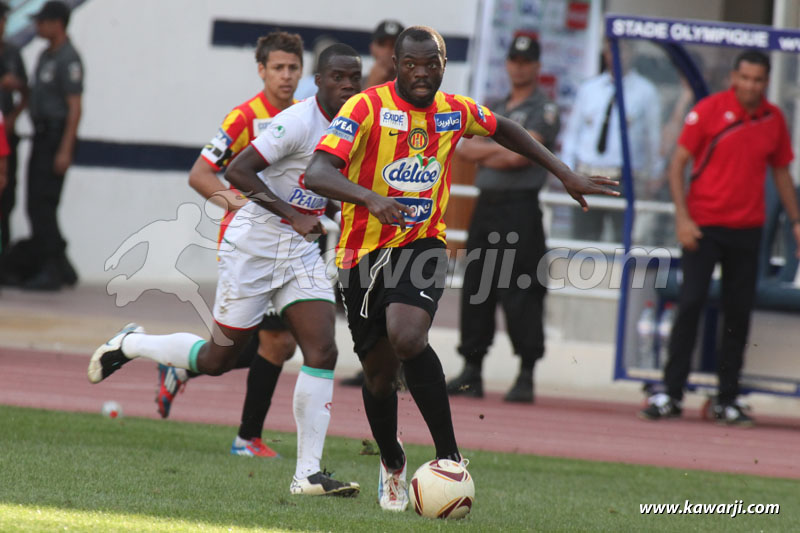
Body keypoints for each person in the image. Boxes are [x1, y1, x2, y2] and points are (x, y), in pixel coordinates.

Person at [304, 26, 617, 511]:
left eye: (431, 64)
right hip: (360, 254)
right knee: (379, 377)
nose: (422, 74)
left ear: (444, 63)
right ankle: (391, 460)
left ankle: (450, 455)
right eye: (411, 65)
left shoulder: (456, 110)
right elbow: (317, 173)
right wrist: (371, 198)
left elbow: (506, 128)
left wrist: (563, 171)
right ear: (396, 64)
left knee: (408, 337)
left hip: (423, 244)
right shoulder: (364, 107)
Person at [89, 43, 364, 496]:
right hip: (253, 248)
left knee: (322, 350)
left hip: (299, 253)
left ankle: (307, 474)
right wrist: (290, 214)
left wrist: (330, 210)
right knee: (220, 359)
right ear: (320, 81)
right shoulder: (296, 120)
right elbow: (237, 170)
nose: (349, 85)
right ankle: (132, 343)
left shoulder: (355, 124)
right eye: (338, 77)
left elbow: (319, 182)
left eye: (355, 77)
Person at [154, 32, 303, 462]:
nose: (286, 76)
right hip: (249, 247)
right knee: (275, 343)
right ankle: (246, 438)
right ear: (261, 70)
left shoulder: (304, 116)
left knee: (271, 344)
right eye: (278, 68)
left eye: (293, 68)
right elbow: (200, 173)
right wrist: (240, 205)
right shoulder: (244, 117)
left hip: (288, 247)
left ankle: (184, 365)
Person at [639, 50, 800, 426]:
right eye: (745, 78)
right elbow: (678, 163)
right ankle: (670, 392)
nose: (751, 86)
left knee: (737, 313)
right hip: (704, 226)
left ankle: (727, 397)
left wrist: (795, 220)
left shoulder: (773, 119)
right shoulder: (709, 110)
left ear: (765, 81)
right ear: (734, 77)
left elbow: (780, 172)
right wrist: (682, 217)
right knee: (690, 303)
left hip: (748, 230)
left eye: (758, 80)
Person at [446, 34, 559, 404]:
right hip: (487, 206)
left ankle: (526, 372)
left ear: (538, 67)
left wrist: (490, 151)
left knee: (521, 291)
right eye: (514, 60)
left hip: (520, 209)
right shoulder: (494, 107)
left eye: (527, 62)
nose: (519, 67)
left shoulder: (545, 108)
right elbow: (463, 146)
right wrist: (501, 147)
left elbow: (519, 158)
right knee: (478, 286)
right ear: (507, 63)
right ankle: (472, 370)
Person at [339, 18, 405, 389]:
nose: (387, 53)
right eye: (382, 45)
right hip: (360, 217)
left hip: (405, 220)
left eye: (393, 47)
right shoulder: (360, 94)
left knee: (404, 299)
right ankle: (377, 366)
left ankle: (402, 362)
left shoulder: (418, 94)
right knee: (363, 302)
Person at [560, 38, 662, 243]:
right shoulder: (589, 89)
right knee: (583, 242)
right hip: (587, 174)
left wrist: (655, 175)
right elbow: (573, 135)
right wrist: (567, 172)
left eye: (623, 51)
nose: (616, 56)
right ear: (604, 54)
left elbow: (653, 139)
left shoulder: (645, 92)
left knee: (621, 242)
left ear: (632, 54)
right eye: (611, 51)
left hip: (623, 179)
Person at [22, 0, 82, 290]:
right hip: (40, 135)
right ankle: (62, 265)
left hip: (55, 137)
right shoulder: (47, 55)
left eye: (42, 21)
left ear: (57, 24)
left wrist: (65, 149)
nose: (37, 27)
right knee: (35, 202)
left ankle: (51, 270)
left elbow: (74, 107)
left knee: (44, 204)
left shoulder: (69, 59)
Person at [0, 0, 28, 254]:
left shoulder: (11, 53)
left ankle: (4, 256)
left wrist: (12, 117)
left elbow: (26, 91)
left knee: (6, 196)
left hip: (4, 134)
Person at [365, 20, 404, 89]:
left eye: (394, 45)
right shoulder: (356, 84)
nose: (387, 50)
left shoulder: (413, 85)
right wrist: (372, 84)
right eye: (382, 44)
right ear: (372, 48)